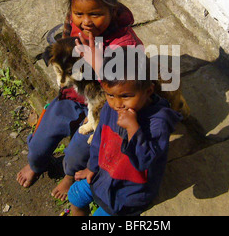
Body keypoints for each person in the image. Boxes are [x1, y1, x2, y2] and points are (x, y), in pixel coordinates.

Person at [16, 0, 143, 201]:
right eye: (78, 14)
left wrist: (99, 64)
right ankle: (36, 162)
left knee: (77, 152)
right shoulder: (74, 24)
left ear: (112, 11)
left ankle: (69, 176)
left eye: (95, 14)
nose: (86, 22)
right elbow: (63, 48)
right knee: (41, 140)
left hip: (104, 107)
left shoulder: (125, 44)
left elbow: (126, 88)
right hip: (75, 95)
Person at [68, 48, 182, 216]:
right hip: (105, 173)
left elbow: (145, 161)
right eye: (110, 95)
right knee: (74, 197)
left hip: (129, 192)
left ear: (148, 91)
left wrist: (133, 129)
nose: (117, 104)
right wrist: (92, 167)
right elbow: (99, 138)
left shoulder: (158, 122)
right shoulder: (110, 107)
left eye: (126, 96)